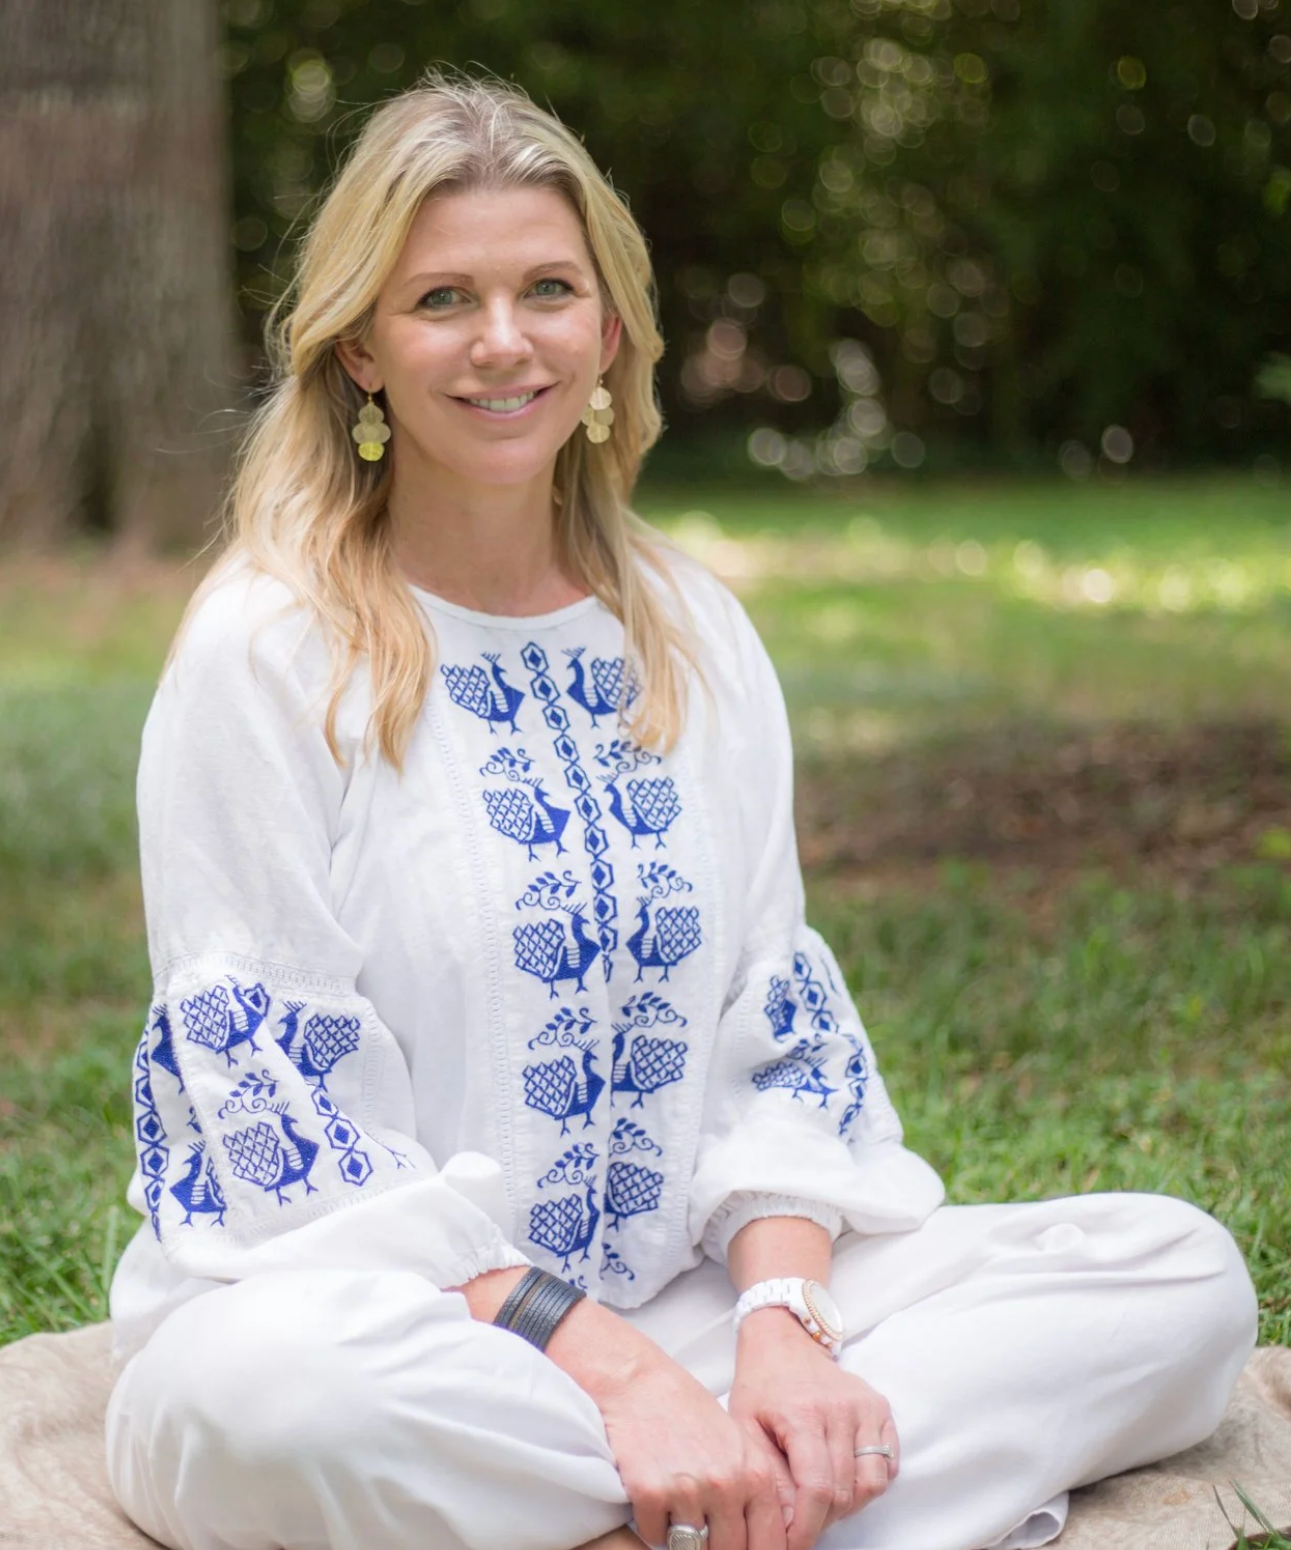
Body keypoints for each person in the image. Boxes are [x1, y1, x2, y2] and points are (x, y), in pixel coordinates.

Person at [104, 73, 1256, 1550]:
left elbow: (769, 1034)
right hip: (397, 1331)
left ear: (608, 336)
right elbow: (289, 1129)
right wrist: (614, 1366)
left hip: (689, 1313)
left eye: (546, 291)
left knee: (1174, 1273)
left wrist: (779, 1321)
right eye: (443, 297)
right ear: (361, 355)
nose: (502, 339)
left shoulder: (688, 629)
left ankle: (674, 1506)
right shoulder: (268, 649)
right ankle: (785, 1505)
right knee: (265, 1402)